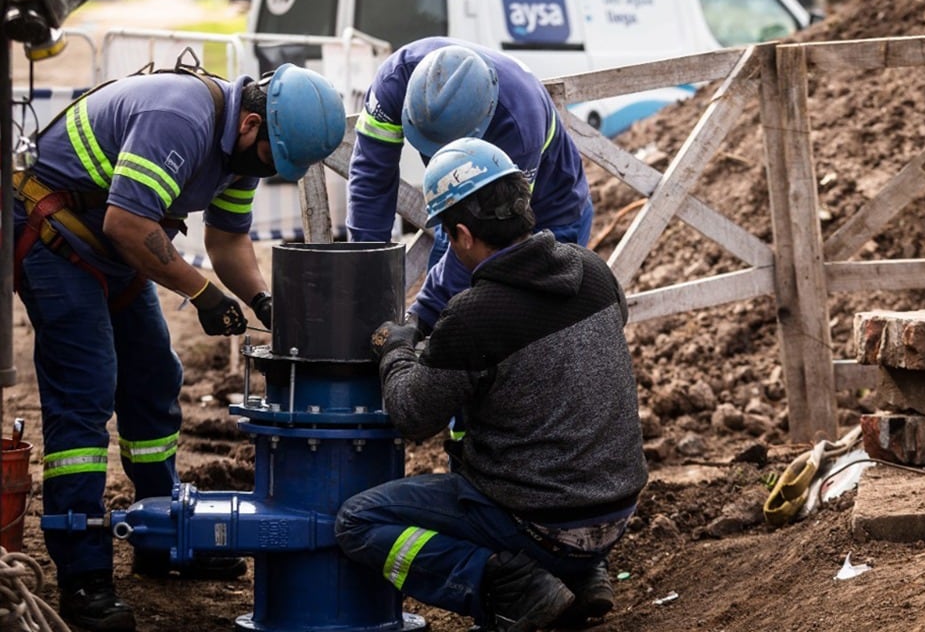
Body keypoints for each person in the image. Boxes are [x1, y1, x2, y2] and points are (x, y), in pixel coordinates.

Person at [12, 58, 346, 632]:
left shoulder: (242, 150)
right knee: (86, 391)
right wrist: (204, 295)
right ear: (250, 124)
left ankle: (162, 534)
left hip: (111, 247)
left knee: (153, 377)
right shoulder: (181, 118)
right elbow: (126, 224)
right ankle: (83, 573)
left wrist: (262, 301)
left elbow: (227, 240)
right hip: (54, 234)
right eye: (271, 160)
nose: (268, 171)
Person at [335, 138, 647, 632]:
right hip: (616, 512)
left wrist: (395, 350)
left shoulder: (475, 316)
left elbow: (411, 415)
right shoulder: (592, 270)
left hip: (542, 524)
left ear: (461, 235)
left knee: (359, 522)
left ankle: (514, 588)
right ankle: (583, 576)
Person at [347, 36, 594, 333]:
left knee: (523, 333)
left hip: (549, 214)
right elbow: (371, 178)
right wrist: (368, 270)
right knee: (450, 329)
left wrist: (422, 317)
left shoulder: (518, 126)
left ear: (479, 126)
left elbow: (496, 235)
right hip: (461, 200)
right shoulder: (395, 80)